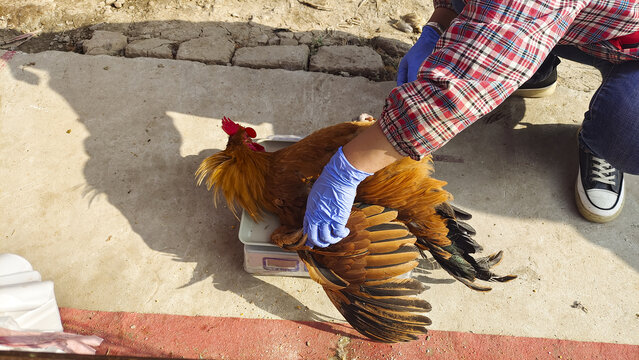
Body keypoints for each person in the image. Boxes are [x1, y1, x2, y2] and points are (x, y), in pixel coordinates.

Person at [302, 0, 639, 248]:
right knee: (508, 25)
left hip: (629, 41)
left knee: (628, 130)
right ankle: (534, 59)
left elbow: (456, 90)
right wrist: (438, 25)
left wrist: (349, 168)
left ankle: (601, 140)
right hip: (591, 18)